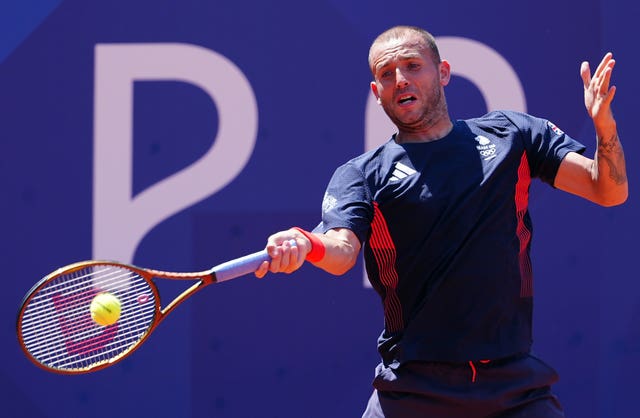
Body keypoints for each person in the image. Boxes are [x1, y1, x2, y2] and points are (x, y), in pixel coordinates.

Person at [255, 25, 628, 417]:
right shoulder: (362, 175)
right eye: (386, 74)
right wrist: (306, 242)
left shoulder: (513, 135)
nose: (400, 80)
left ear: (443, 72)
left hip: (514, 387)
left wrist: (605, 128)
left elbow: (608, 190)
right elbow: (342, 250)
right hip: (413, 390)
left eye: (413, 66)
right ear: (376, 92)